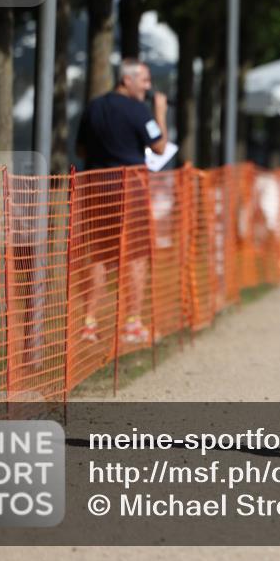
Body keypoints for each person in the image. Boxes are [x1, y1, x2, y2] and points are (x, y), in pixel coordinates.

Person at [76, 58, 168, 346]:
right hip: (130, 187)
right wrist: (161, 112)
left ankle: (88, 323)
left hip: (96, 188)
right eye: (145, 80)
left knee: (100, 255)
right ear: (126, 80)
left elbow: (80, 148)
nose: (148, 86)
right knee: (137, 254)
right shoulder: (138, 110)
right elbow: (160, 145)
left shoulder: (93, 106)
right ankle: (132, 322)